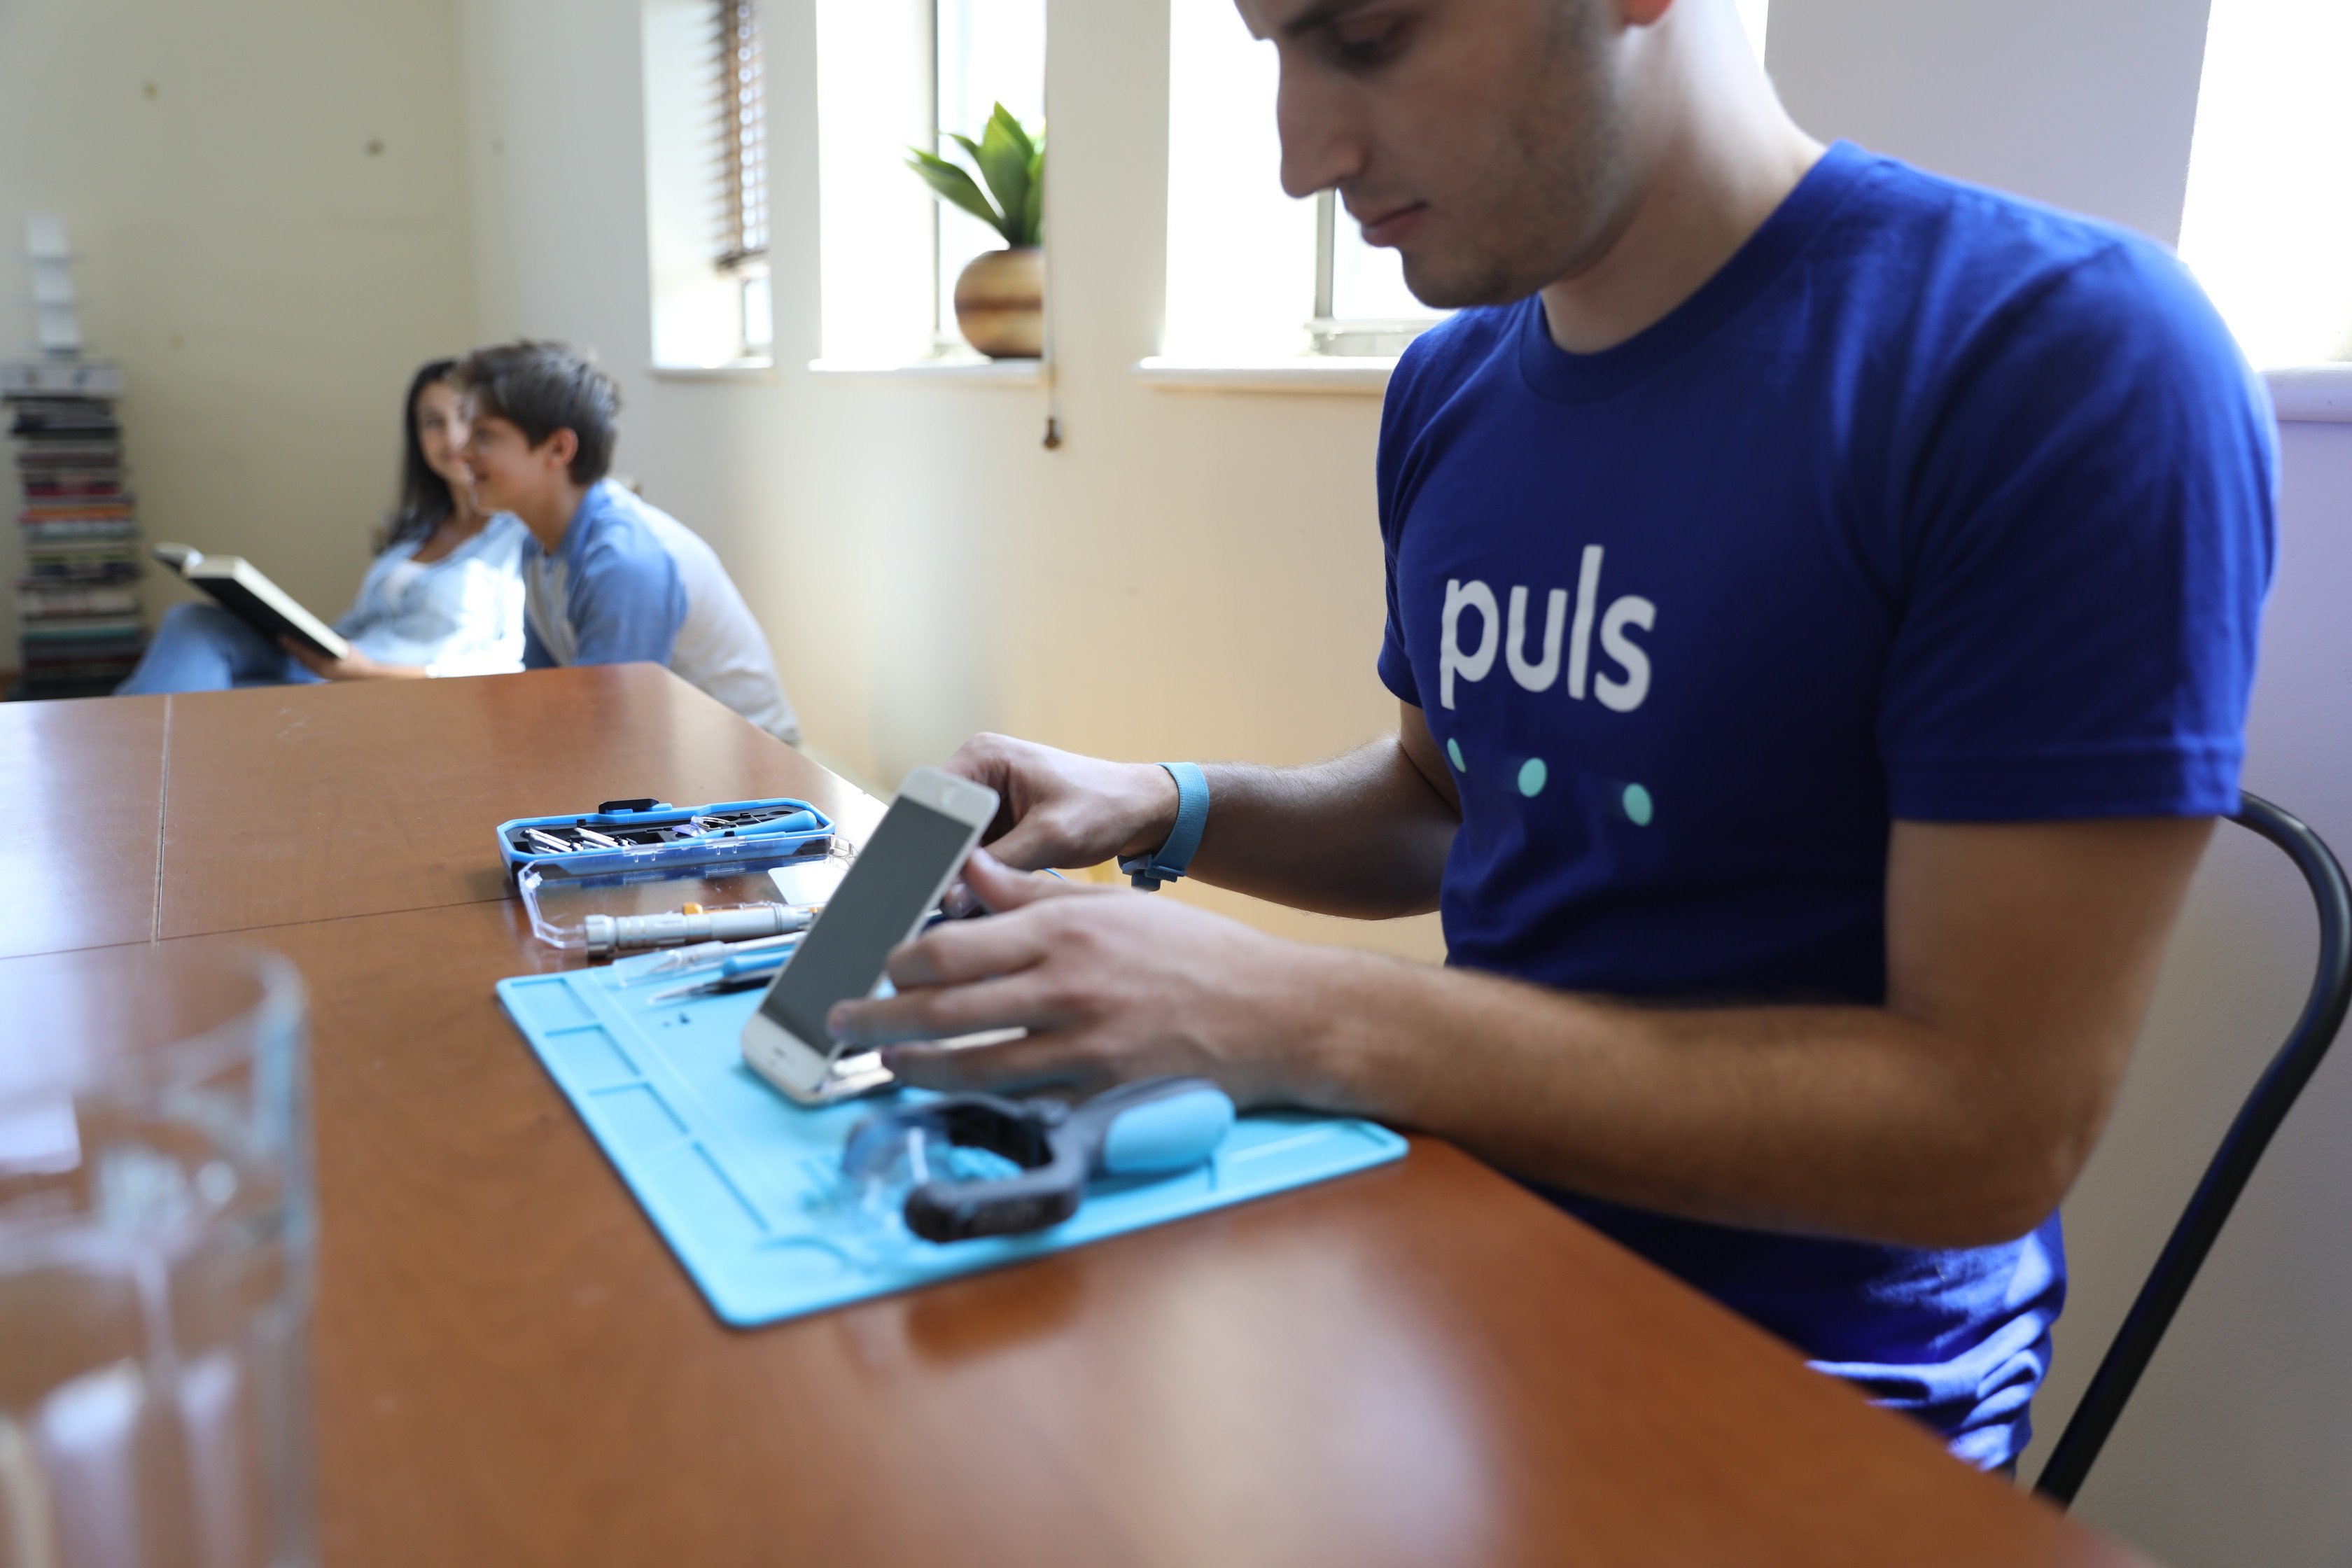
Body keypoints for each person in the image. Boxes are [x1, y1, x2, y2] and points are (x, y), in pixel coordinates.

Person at [827, 0, 2276, 1472]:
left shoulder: (2058, 360)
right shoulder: (1451, 389)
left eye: (1369, 36)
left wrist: (1298, 1017)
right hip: (1452, 1266)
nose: (1297, 155)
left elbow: (1986, 1130)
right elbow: (1447, 802)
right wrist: (1163, 803)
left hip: (1815, 1398)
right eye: (1273, 50)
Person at [453, 341, 801, 743]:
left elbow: (608, 735)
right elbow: (544, 693)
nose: (461, 451)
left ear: (558, 449)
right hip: (660, 748)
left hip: (755, 766)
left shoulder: (623, 562)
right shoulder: (537, 544)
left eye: (483, 435)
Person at [117, 360, 527, 693]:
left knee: (198, 694)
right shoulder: (413, 534)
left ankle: (122, 768)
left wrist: (370, 674)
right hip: (335, 668)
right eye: (433, 422)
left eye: (463, 417)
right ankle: (125, 768)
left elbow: (508, 662)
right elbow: (356, 627)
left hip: (389, 689)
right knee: (194, 625)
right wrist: (291, 628)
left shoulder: (517, 537)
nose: (451, 438)